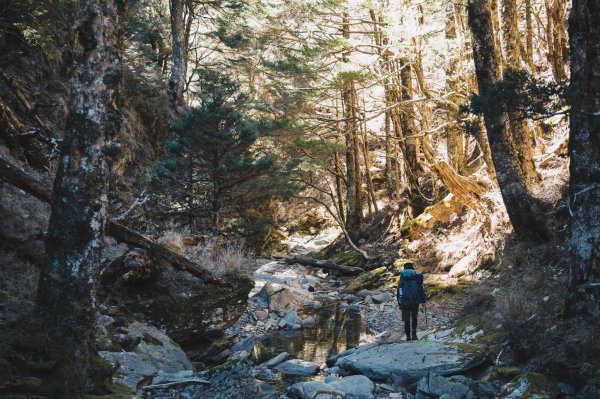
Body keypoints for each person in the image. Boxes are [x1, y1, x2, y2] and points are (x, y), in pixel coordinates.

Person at [396, 262, 426, 341]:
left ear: (404, 269)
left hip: (405, 302)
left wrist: (399, 303)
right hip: (415, 301)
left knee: (406, 320)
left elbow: (399, 291)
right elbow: (420, 289)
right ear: (412, 268)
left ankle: (408, 337)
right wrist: (423, 301)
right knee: (414, 318)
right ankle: (414, 334)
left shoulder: (402, 278)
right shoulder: (416, 277)